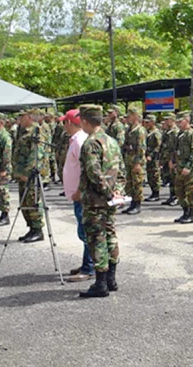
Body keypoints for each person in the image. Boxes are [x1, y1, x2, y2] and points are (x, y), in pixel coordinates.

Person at [76, 105, 125, 298]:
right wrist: (117, 192)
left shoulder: (91, 143)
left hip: (96, 200)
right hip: (110, 199)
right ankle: (111, 279)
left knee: (97, 239)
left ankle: (101, 283)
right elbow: (121, 170)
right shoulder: (111, 141)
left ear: (85, 121)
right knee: (111, 234)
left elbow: (94, 173)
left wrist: (107, 193)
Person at [61, 109, 95, 283]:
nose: (63, 126)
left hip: (81, 195)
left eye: (64, 122)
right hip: (78, 194)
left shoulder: (80, 141)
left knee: (87, 232)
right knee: (84, 231)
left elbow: (86, 170)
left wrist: (80, 192)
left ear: (69, 123)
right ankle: (86, 264)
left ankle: (90, 268)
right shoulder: (76, 140)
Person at [13, 109, 45, 243]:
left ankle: (38, 230)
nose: (19, 119)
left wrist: (27, 173)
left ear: (30, 117)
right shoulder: (22, 131)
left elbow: (36, 154)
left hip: (30, 175)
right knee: (24, 202)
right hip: (21, 174)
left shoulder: (36, 131)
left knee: (33, 201)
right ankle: (31, 228)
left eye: (22, 116)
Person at [171, 112, 193, 224]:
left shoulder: (191, 134)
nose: (178, 124)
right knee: (179, 191)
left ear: (187, 121)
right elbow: (176, 149)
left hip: (189, 168)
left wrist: (188, 166)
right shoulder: (180, 134)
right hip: (179, 167)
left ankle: (192, 214)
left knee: (190, 191)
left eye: (180, 121)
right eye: (177, 122)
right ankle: (185, 212)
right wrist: (173, 161)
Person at [121, 107, 146, 215]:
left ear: (135, 116)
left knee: (137, 182)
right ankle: (132, 203)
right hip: (128, 159)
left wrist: (138, 162)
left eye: (130, 115)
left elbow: (141, 147)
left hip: (136, 161)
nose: (128, 118)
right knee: (129, 183)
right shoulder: (129, 129)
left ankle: (137, 204)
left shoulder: (139, 130)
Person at [160, 113, 180, 206]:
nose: (166, 121)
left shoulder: (175, 132)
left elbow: (176, 148)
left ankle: (176, 197)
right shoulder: (167, 131)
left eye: (167, 119)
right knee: (170, 178)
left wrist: (173, 160)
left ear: (172, 120)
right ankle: (172, 196)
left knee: (175, 179)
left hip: (173, 159)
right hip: (166, 158)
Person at [144, 115, 163, 202]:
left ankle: (156, 193)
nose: (146, 123)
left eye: (148, 122)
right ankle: (153, 192)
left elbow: (158, 146)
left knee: (155, 175)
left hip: (154, 158)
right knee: (150, 175)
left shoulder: (156, 133)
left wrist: (151, 155)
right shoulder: (148, 132)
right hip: (148, 157)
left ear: (153, 122)